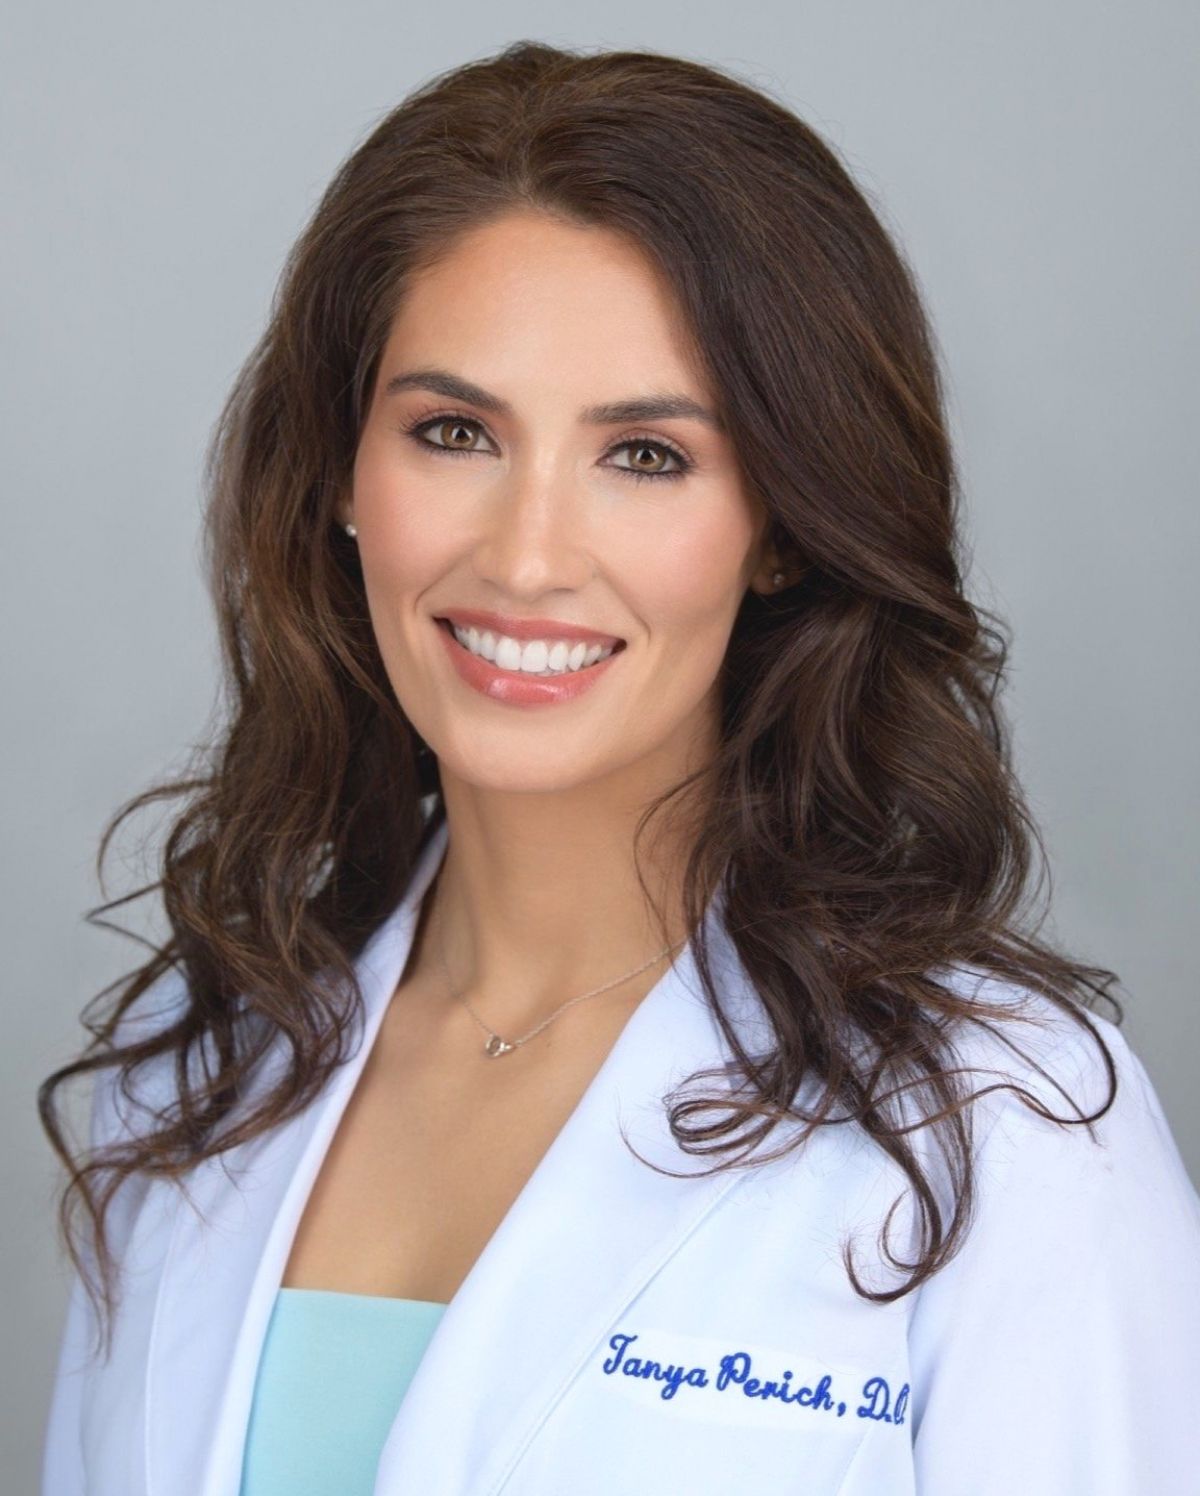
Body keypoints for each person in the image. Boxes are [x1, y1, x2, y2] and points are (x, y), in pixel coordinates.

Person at [38, 39, 1200, 1496]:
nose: (525, 558)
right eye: (453, 433)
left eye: (645, 455)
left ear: (782, 520)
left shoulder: (1005, 1127)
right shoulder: (196, 1072)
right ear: (341, 477)